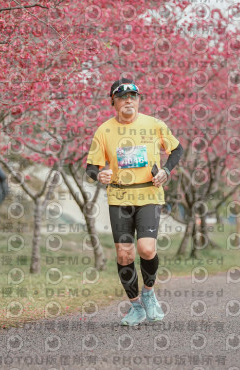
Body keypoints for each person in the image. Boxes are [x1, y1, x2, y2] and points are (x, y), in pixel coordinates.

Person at [86, 78, 183, 326]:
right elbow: (91, 167)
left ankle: (149, 293)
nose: (128, 100)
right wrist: (100, 175)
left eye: (133, 96)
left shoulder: (154, 124)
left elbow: (177, 150)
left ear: (138, 100)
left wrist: (166, 171)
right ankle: (136, 306)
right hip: (119, 197)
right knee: (124, 254)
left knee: (146, 249)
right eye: (122, 96)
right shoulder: (104, 130)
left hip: (149, 194)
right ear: (113, 102)